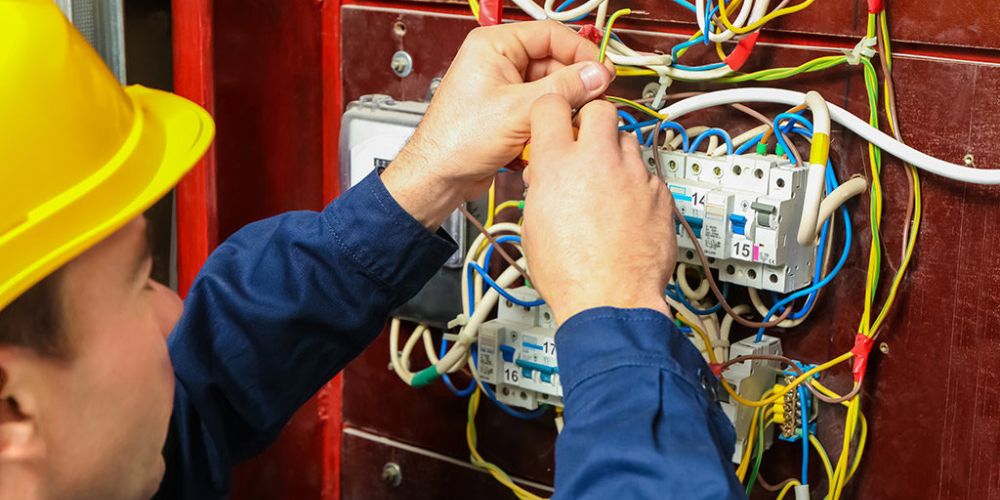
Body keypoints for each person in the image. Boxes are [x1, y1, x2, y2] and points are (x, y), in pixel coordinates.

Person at [0, 1, 740, 498]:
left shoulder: (78, 458)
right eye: (140, 283)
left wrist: (423, 178)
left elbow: (201, 381)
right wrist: (612, 306)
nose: (171, 314)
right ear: (12, 407)